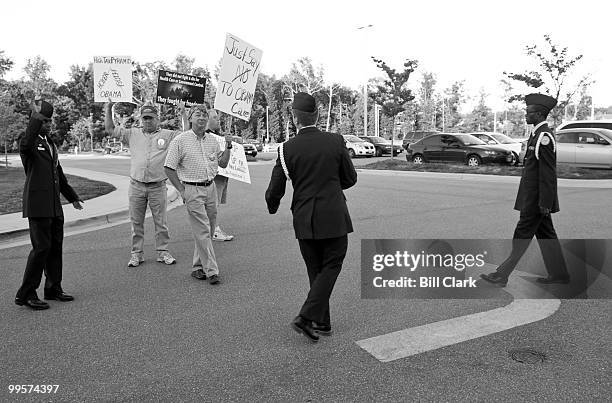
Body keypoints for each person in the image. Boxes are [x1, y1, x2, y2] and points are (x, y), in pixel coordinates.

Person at [265, 92, 357, 342]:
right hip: (333, 215)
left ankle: (323, 323)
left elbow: (275, 188)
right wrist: (330, 186)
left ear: (295, 119)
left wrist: (272, 206)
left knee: (316, 270)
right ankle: (307, 317)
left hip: (304, 217)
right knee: (332, 265)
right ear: (316, 115)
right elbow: (350, 179)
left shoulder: (286, 149)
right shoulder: (335, 141)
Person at [481, 93, 570, 287]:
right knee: (547, 236)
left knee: (521, 236)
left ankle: (501, 275)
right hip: (534, 198)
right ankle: (559, 274)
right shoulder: (536, 134)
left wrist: (545, 203)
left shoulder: (544, 137)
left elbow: (547, 173)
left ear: (538, 114)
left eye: (528, 112)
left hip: (536, 201)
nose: (525, 115)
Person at [15, 99, 84, 310]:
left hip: (54, 205)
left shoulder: (49, 143)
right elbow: (27, 143)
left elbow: (58, 174)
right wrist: (36, 115)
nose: (48, 124)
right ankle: (26, 293)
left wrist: (71, 196)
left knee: (55, 247)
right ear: (34, 121)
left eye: (49, 120)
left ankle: (53, 288)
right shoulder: (27, 140)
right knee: (41, 248)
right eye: (43, 121)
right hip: (37, 204)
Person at [104, 101, 185, 268]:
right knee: (136, 222)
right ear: (141, 119)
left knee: (161, 222)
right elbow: (110, 129)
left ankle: (163, 252)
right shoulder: (132, 133)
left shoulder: (167, 135)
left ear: (157, 119)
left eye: (150, 118)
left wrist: (183, 113)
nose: (147, 121)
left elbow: (185, 134)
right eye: (145, 118)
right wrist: (108, 109)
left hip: (157, 186)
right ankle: (136, 254)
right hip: (136, 186)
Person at [164, 105, 231, 285]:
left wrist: (229, 146)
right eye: (197, 115)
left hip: (210, 188)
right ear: (191, 118)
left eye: (204, 115)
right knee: (202, 230)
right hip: (192, 189)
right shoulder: (181, 140)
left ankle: (197, 267)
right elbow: (168, 168)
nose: (202, 118)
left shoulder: (212, 141)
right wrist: (181, 190)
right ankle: (212, 271)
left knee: (207, 230)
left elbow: (223, 164)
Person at [207, 109, 234, 242]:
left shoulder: (219, 135)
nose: (218, 120)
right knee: (213, 205)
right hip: (214, 177)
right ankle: (213, 230)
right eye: (214, 117)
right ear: (207, 120)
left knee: (215, 205)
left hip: (223, 175)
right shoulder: (206, 137)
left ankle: (213, 228)